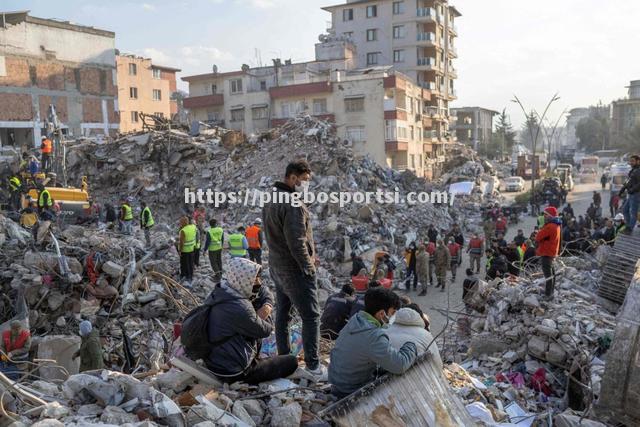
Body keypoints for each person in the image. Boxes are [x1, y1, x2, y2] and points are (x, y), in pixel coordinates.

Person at [262, 160, 323, 379]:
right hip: (294, 269)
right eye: (305, 180)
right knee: (311, 316)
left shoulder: (270, 198)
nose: (306, 185)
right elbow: (297, 242)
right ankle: (313, 366)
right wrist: (308, 268)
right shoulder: (293, 204)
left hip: (277, 267)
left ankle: (285, 360)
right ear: (293, 178)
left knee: (283, 315)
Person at [204, 257, 298, 384]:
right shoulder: (240, 307)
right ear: (244, 280)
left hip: (214, 363)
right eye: (254, 279)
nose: (258, 282)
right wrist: (265, 311)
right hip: (233, 372)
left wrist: (267, 304)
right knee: (292, 361)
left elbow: (263, 291)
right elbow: (266, 330)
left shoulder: (220, 292)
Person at [328, 288, 418, 398]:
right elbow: (400, 365)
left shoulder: (356, 319)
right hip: (351, 391)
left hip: (337, 384)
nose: (392, 317)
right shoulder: (373, 336)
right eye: (392, 313)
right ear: (381, 313)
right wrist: (411, 345)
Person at [387, 305, 442, 369]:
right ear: (420, 317)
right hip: (422, 374)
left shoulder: (385, 331)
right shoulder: (424, 334)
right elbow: (437, 361)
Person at [535, 206, 562, 300]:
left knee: (548, 275)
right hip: (551, 251)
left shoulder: (550, 226)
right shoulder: (556, 225)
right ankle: (551, 292)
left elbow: (538, 237)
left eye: (546, 214)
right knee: (551, 273)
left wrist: (541, 228)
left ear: (550, 215)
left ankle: (548, 294)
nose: (544, 216)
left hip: (547, 252)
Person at [620, 155, 640, 235]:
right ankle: (628, 226)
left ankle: (630, 229)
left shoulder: (638, 170)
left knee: (633, 213)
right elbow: (627, 182)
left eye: (633, 161)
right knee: (624, 210)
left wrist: (632, 189)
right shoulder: (633, 170)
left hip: (636, 194)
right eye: (630, 161)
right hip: (631, 194)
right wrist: (622, 190)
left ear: (638, 161)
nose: (631, 162)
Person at [178, 216, 197, 285]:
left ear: (183, 222)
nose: (180, 223)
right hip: (192, 248)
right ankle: (190, 276)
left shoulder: (183, 231)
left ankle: (184, 276)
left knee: (184, 263)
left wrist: (180, 250)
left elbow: (181, 242)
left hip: (185, 250)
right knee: (190, 263)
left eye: (180, 222)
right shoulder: (193, 227)